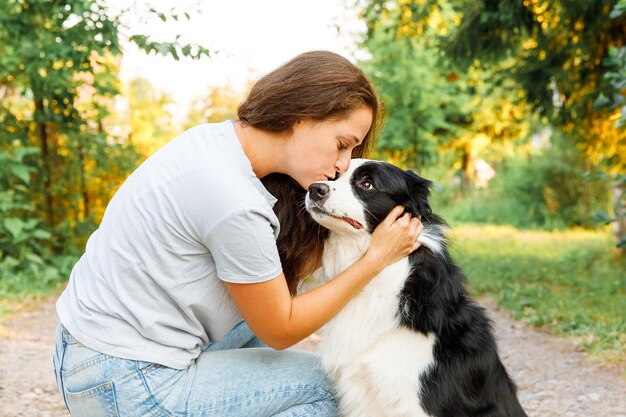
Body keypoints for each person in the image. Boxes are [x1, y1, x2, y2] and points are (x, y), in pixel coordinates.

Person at [52, 50, 424, 417]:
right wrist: (376, 259)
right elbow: (282, 328)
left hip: (86, 352)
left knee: (259, 319)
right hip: (128, 380)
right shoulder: (234, 201)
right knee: (330, 386)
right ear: (301, 117)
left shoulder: (217, 142)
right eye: (342, 144)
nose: (343, 163)